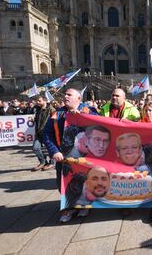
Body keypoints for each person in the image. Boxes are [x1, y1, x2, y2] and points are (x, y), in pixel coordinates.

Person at [43, 88, 98, 223]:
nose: (65, 96)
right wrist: (54, 151)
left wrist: (83, 117)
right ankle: (69, 207)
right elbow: (47, 134)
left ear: (79, 99)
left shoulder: (88, 111)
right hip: (64, 157)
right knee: (63, 183)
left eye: (69, 95)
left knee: (84, 181)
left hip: (85, 157)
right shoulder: (57, 114)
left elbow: (100, 124)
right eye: (65, 94)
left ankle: (84, 206)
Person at [32, 96, 56, 171]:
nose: (37, 102)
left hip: (48, 133)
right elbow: (39, 120)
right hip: (39, 132)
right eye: (37, 101)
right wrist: (34, 119)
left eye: (39, 101)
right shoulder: (38, 109)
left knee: (50, 148)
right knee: (35, 148)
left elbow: (55, 120)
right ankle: (43, 161)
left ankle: (52, 163)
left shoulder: (51, 109)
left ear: (45, 101)